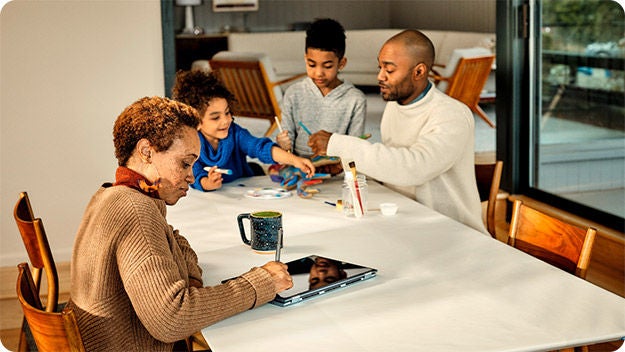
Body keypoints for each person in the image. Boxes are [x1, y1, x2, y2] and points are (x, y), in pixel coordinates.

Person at [68, 96, 293, 351]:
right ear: (146, 151)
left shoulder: (115, 194)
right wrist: (259, 283)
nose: (191, 175)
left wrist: (190, 281)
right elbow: (172, 320)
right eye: (185, 163)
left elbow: (174, 238)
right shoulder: (135, 210)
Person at [308, 30, 487, 235]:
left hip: (453, 231)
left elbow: (415, 168)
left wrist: (339, 144)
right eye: (380, 67)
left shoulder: (452, 115)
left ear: (418, 72)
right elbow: (393, 165)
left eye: (389, 70)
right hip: (407, 220)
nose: (380, 76)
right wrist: (346, 163)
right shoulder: (396, 105)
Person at [172, 70, 314, 191]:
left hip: (243, 191)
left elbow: (260, 147)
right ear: (195, 121)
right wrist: (206, 183)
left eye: (227, 113)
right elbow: (193, 173)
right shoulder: (190, 144)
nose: (226, 121)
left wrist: (295, 161)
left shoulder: (235, 133)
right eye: (215, 118)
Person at [276, 18, 366, 161]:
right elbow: (287, 141)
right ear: (306, 59)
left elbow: (355, 146)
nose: (318, 73)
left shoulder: (355, 99)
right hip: (300, 167)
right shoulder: (293, 93)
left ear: (341, 63)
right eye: (312, 65)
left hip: (337, 169)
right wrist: (283, 144)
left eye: (327, 66)